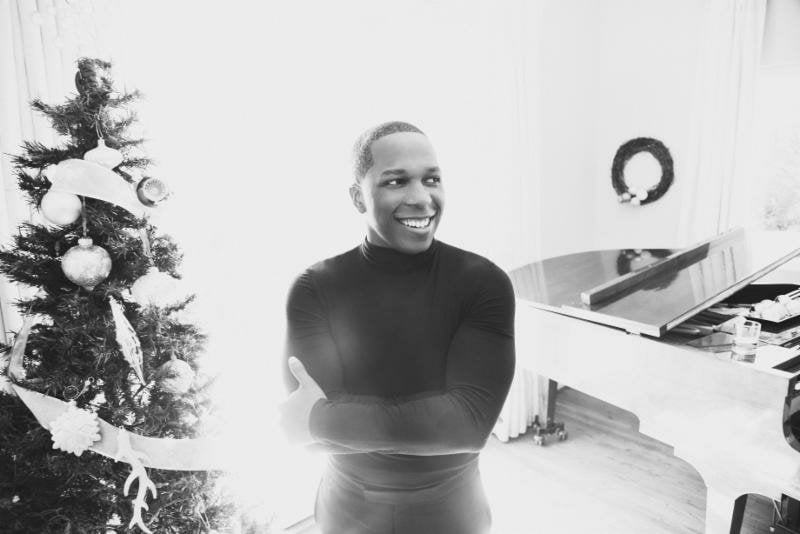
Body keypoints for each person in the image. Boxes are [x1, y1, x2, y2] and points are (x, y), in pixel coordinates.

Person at [279, 121, 515, 534]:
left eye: (432, 179)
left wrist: (324, 418)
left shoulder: (483, 282)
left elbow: (468, 425)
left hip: (452, 510)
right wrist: (322, 421)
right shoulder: (314, 287)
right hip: (345, 508)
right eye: (396, 181)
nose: (421, 198)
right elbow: (306, 428)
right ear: (358, 196)